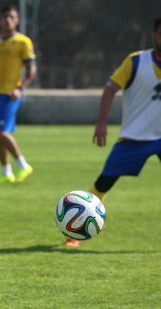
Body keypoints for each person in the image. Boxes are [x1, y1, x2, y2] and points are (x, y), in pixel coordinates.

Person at [65, 17, 161, 247]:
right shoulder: (137, 61)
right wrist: (101, 123)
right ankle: (75, 228)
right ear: (154, 36)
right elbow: (109, 90)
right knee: (104, 183)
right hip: (134, 137)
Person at [0, 5, 36, 184]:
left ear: (17, 20)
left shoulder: (23, 42)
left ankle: (23, 165)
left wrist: (20, 89)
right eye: (5, 17)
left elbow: (31, 70)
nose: (8, 20)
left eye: (11, 17)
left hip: (10, 94)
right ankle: (6, 173)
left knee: (0, 131)